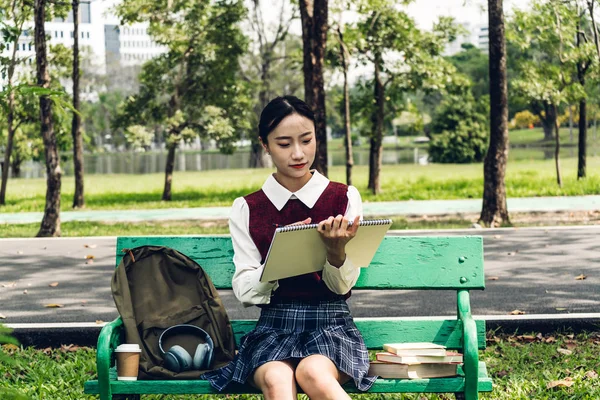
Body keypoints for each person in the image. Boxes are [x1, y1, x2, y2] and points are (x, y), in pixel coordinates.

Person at [202, 95, 376, 399]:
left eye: (306, 140)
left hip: (332, 326)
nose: (298, 153)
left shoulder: (344, 197)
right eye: (284, 144)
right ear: (265, 145)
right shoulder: (248, 208)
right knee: (277, 378)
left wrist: (336, 254)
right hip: (273, 328)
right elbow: (244, 291)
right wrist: (281, 258)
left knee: (314, 372)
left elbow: (342, 287)